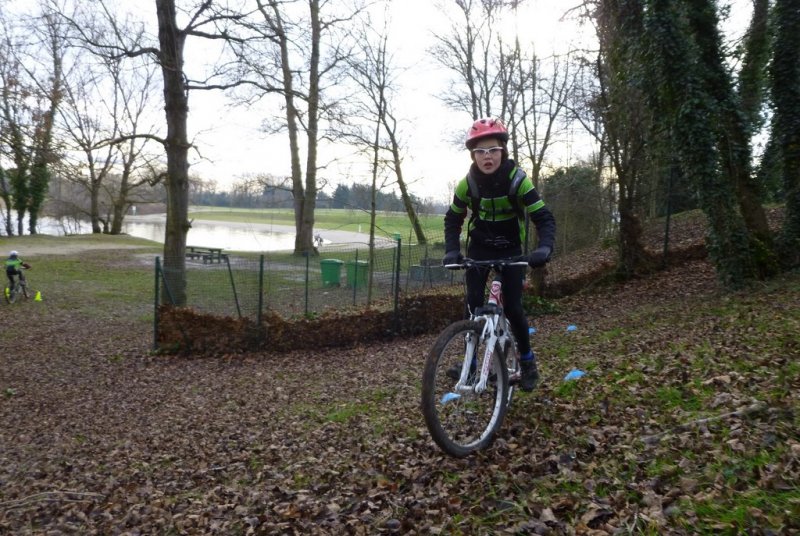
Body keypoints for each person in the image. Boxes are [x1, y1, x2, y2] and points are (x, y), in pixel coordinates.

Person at [443, 117, 556, 392]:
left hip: (510, 249)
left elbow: (543, 218)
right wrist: (452, 251)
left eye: (493, 150)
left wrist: (543, 248)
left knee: (514, 307)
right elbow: (452, 219)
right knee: (472, 303)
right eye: (480, 151)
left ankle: (527, 361)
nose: (487, 156)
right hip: (480, 248)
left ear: (503, 151)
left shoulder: (518, 180)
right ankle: (469, 365)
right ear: (473, 155)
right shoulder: (466, 185)